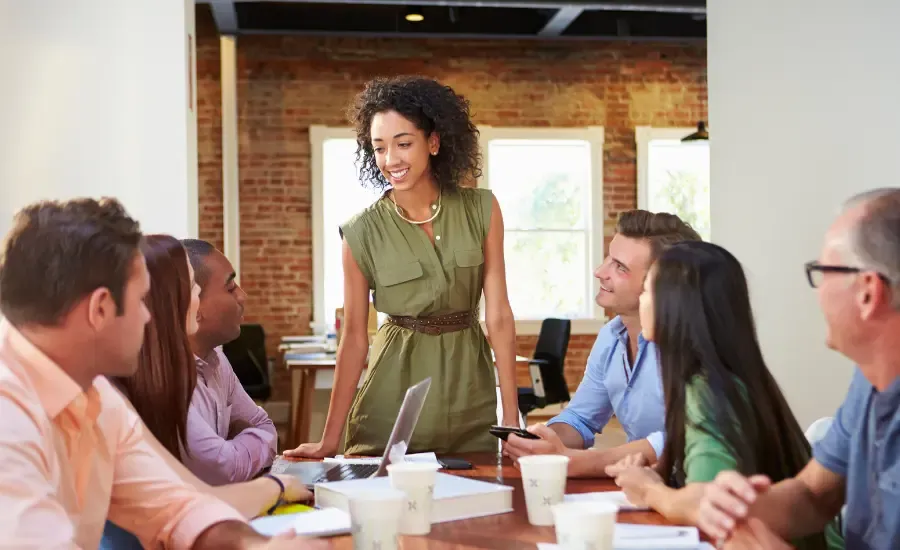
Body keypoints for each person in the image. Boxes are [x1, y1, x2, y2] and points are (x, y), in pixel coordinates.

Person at [0, 197, 325, 549]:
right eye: (142, 300)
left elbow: (177, 507)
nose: (150, 317)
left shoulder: (94, 394)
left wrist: (257, 546)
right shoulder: (9, 421)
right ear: (101, 309)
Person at [286, 75, 519, 458]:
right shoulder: (361, 232)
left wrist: (510, 416)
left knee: (474, 503)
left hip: (469, 393)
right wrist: (330, 439)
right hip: (391, 394)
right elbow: (355, 339)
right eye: (379, 148)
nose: (390, 160)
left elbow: (499, 317)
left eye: (404, 143)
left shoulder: (483, 209)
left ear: (434, 142)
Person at [694, 188, 900, 550]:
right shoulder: (869, 381)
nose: (817, 292)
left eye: (823, 272)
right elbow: (812, 495)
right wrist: (735, 509)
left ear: (868, 292)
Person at [604, 241, 841, 550]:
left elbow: (705, 503)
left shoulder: (709, 392)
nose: (640, 299)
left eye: (646, 290)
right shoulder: (727, 379)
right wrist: (654, 477)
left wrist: (650, 490)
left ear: (675, 305)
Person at [102, 235, 313, 549]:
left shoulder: (110, 396)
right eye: (193, 289)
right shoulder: (110, 395)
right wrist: (276, 487)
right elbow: (216, 476)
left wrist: (260, 532)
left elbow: (191, 504)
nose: (197, 298)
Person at [504, 210, 701, 476]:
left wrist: (577, 462)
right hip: (647, 483)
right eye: (609, 258)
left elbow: (683, 439)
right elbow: (580, 418)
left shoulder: (692, 346)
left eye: (620, 267)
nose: (600, 272)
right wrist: (541, 441)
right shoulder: (611, 336)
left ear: (663, 285)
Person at [180, 238, 277, 485]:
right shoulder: (166, 378)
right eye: (230, 286)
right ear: (193, 304)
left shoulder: (217, 360)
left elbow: (264, 425)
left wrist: (236, 446)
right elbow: (223, 468)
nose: (242, 296)